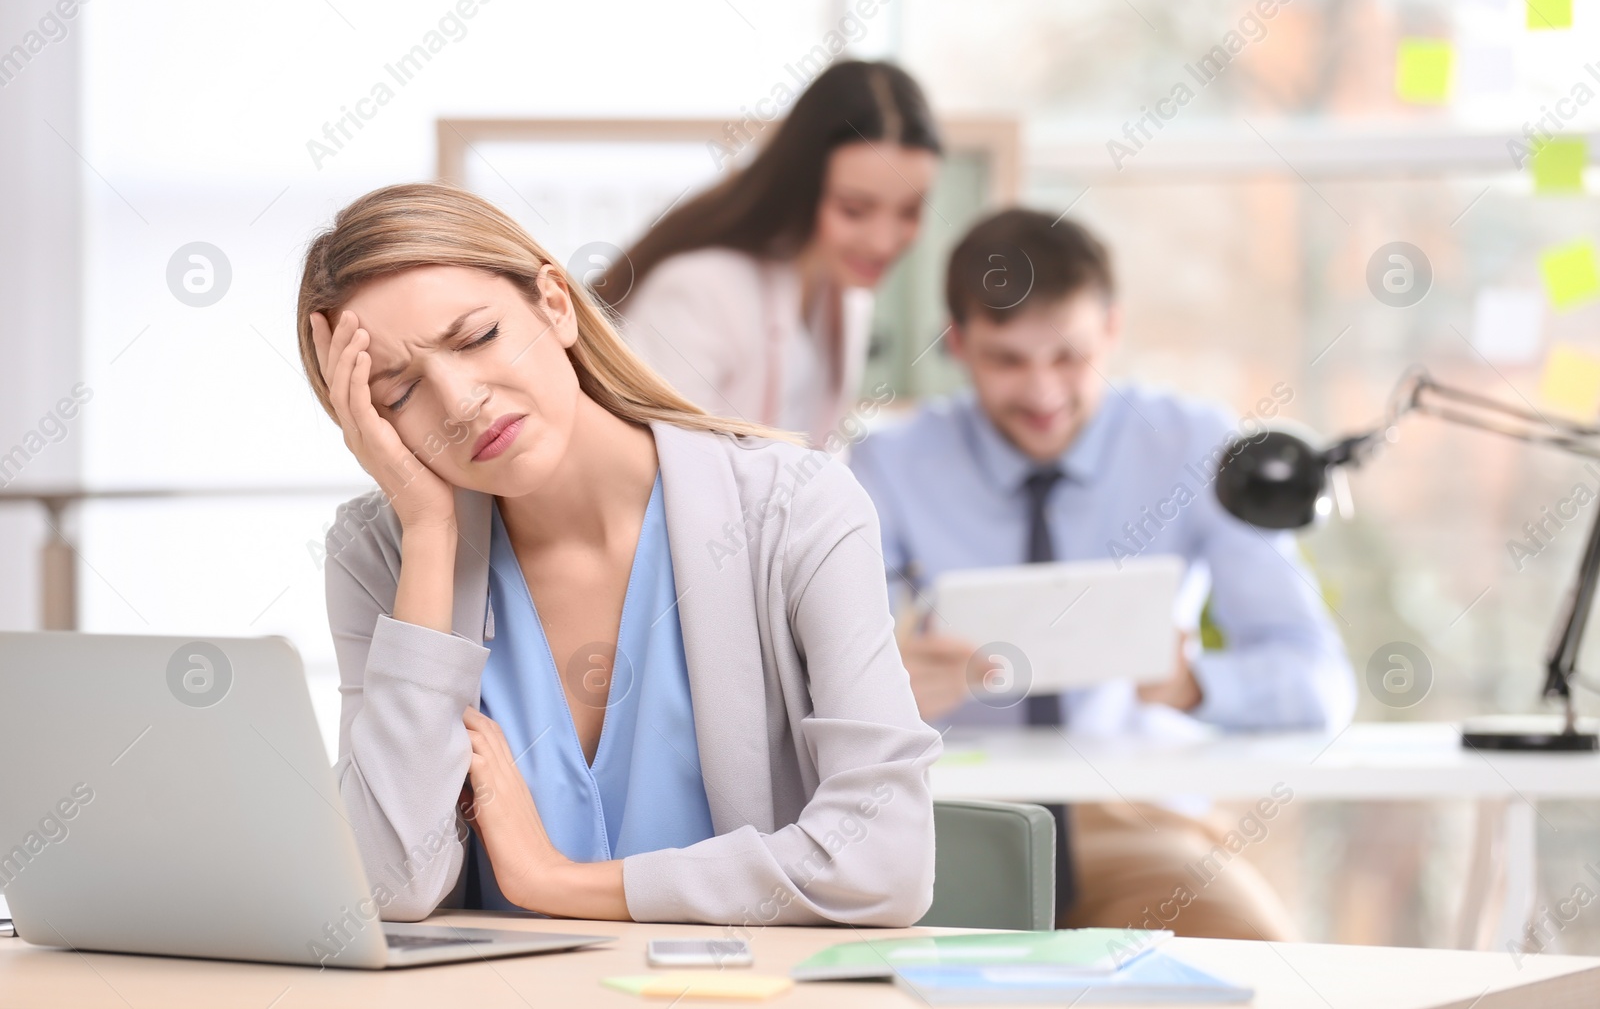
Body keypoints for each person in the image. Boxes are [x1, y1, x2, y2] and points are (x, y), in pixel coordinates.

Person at [294, 182, 939, 926]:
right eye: (399, 392)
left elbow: (887, 860)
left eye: (476, 338)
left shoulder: (796, 509)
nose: (460, 400)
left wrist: (556, 882)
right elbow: (387, 886)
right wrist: (432, 539)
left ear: (555, 305)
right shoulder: (386, 552)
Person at [849, 207, 1357, 939]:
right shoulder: (888, 466)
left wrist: (1196, 683)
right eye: (1007, 360)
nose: (1043, 392)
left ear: (1112, 330)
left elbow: (1320, 682)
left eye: (1069, 356)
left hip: (1134, 816)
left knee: (1254, 957)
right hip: (948, 817)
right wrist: (885, 684)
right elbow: (812, 687)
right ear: (956, 343)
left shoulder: (1195, 446)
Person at [600, 60, 940, 443]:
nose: (883, 242)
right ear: (803, 184)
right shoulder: (698, 291)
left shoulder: (843, 293)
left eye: (910, 211)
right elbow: (654, 470)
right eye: (854, 210)